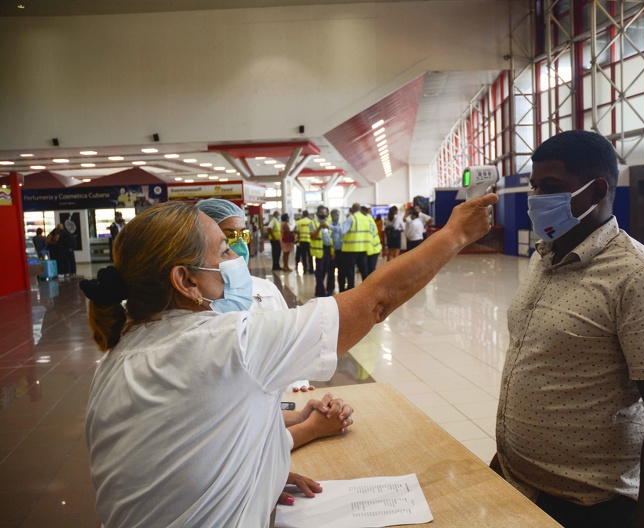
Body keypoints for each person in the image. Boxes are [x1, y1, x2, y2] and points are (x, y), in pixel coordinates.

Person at [80, 193, 496, 527]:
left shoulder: (120, 353)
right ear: (186, 280)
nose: (236, 260)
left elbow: (193, 440)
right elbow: (375, 301)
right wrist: (454, 235)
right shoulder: (228, 343)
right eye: (224, 250)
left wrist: (258, 474)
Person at [491, 130, 644, 528]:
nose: (535, 199)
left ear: (596, 189)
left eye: (550, 187)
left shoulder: (640, 276)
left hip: (588, 505)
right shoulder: (545, 256)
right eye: (534, 186)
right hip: (515, 482)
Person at [195, 198, 342, 420]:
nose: (239, 244)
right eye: (229, 237)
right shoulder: (196, 298)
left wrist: (299, 386)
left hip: (282, 407)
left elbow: (292, 346)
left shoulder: (266, 290)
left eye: (242, 234)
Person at [339, 203, 371, 291]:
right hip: (363, 248)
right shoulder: (366, 219)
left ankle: (351, 288)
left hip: (351, 249)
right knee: (364, 270)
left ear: (352, 209)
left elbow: (342, 231)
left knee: (350, 270)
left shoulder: (351, 218)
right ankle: (368, 288)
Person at [309, 205, 332, 298]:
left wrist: (332, 250)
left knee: (324, 271)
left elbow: (331, 237)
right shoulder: (312, 223)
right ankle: (322, 293)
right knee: (318, 272)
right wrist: (319, 227)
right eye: (321, 212)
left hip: (327, 249)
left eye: (324, 212)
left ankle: (318, 289)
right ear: (317, 213)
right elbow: (312, 236)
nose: (323, 214)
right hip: (318, 250)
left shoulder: (329, 222)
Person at [327, 209, 344, 294]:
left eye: (338, 215)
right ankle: (330, 289)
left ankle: (342, 289)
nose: (337, 216)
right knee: (331, 271)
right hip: (333, 251)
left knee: (342, 271)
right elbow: (329, 239)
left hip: (341, 251)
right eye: (335, 215)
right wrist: (332, 250)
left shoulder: (341, 225)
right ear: (332, 215)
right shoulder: (328, 226)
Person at [361, 206, 381, 275]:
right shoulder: (369, 218)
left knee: (370, 269)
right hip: (372, 248)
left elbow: (369, 235)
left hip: (372, 248)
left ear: (363, 212)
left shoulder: (367, 220)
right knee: (370, 269)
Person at [295, 210, 314, 275]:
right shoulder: (311, 221)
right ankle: (311, 269)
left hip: (302, 241)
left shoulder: (299, 222)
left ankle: (304, 269)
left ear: (302, 215)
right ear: (308, 215)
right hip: (309, 241)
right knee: (310, 256)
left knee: (303, 256)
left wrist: (298, 240)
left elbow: (297, 232)